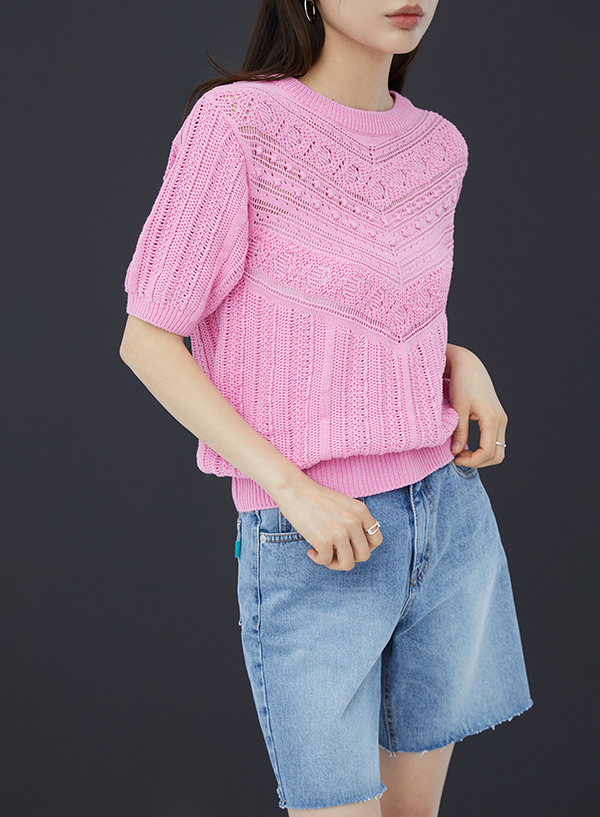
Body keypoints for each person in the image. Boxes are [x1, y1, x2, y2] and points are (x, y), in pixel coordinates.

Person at [119, 1, 533, 814]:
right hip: (317, 542)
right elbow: (148, 339)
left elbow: (373, 319)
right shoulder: (238, 126)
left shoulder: (439, 148)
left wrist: (462, 360)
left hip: (448, 520)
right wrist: (292, 488)